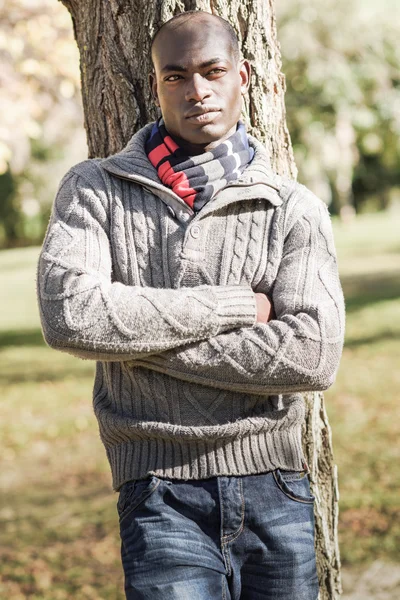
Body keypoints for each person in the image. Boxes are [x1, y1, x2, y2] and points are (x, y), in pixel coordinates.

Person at [37, 10, 345, 600]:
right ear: (155, 85)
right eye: (175, 76)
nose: (196, 91)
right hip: (158, 491)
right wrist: (235, 307)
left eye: (212, 71)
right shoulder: (95, 189)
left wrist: (134, 343)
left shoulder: (291, 208)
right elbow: (70, 315)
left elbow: (313, 355)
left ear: (244, 76)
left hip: (274, 487)